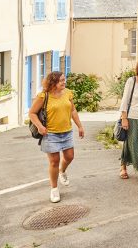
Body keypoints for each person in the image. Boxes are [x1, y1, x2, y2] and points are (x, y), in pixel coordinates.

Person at [29, 71, 84, 203]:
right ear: (53, 82)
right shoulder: (44, 96)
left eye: (64, 80)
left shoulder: (68, 93)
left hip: (67, 131)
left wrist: (80, 126)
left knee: (70, 156)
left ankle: (62, 171)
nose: (64, 82)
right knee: (54, 161)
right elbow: (32, 113)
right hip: (50, 134)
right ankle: (54, 189)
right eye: (61, 81)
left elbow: (73, 110)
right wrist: (40, 127)